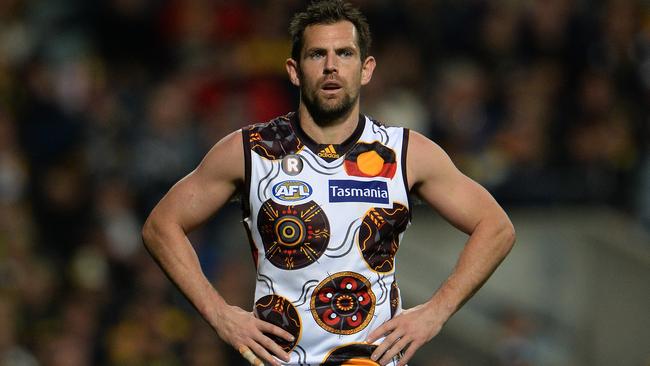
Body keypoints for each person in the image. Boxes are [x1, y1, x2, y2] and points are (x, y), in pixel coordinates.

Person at [142, 1, 516, 365]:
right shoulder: (250, 151)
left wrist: (436, 312)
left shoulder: (405, 153)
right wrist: (221, 315)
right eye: (317, 54)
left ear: (366, 68)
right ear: (294, 70)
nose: (332, 67)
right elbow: (161, 226)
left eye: (345, 54)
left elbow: (496, 227)